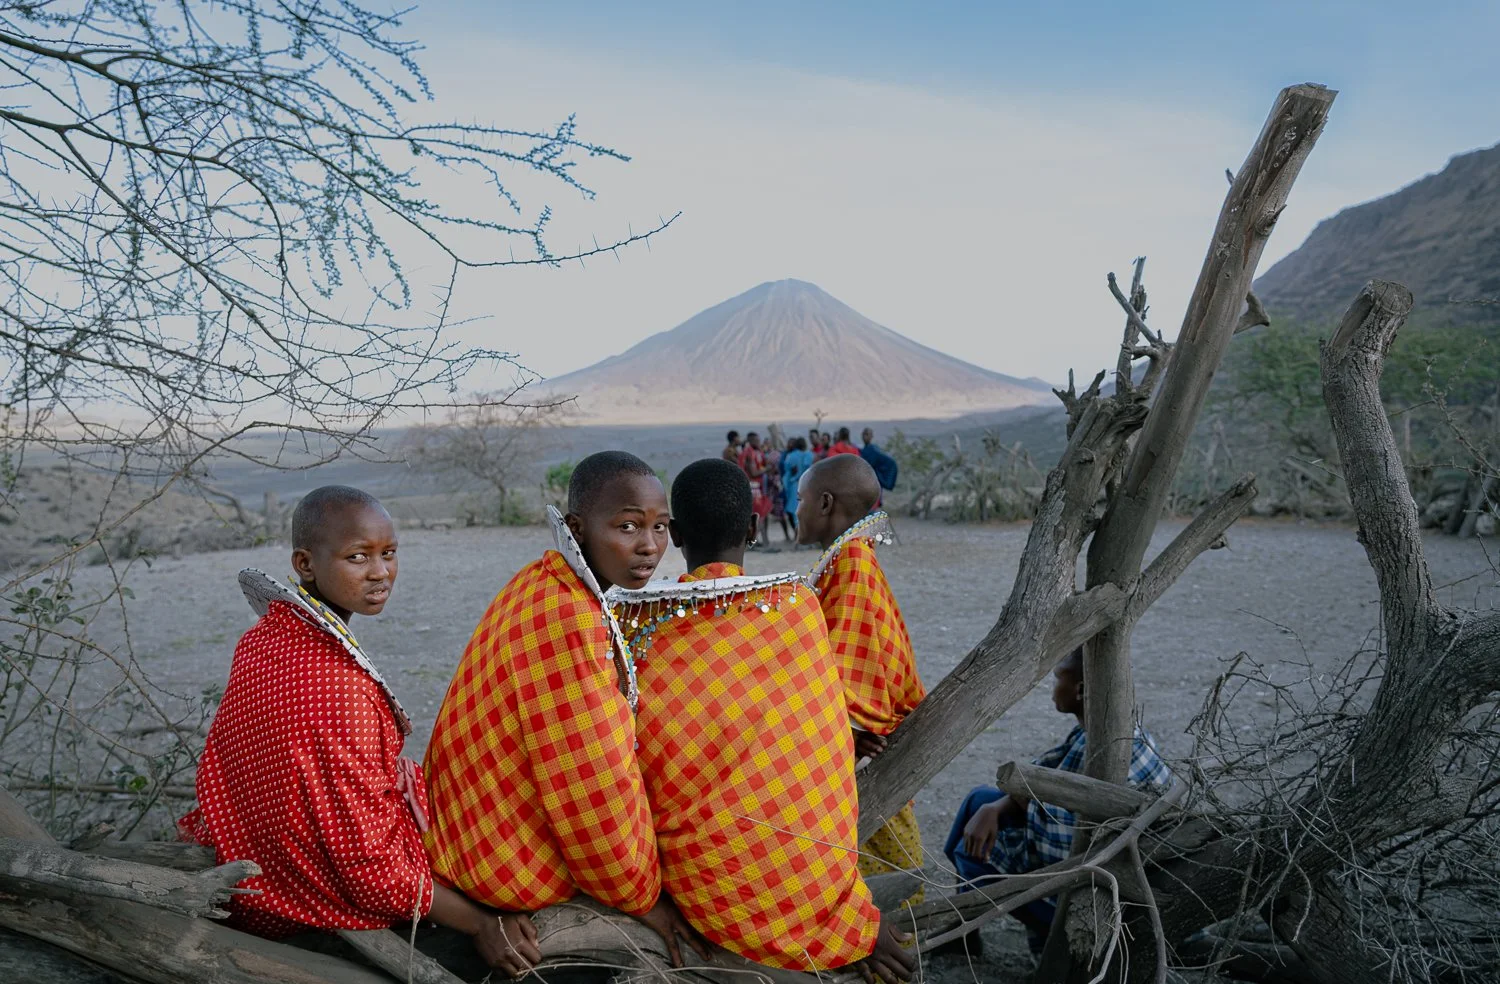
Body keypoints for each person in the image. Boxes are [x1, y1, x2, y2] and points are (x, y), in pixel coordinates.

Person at [180, 486, 539, 976]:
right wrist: (478, 924)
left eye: (388, 554)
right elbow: (367, 869)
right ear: (305, 563)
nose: (380, 573)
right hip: (302, 889)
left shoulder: (266, 638)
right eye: (357, 557)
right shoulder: (337, 686)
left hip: (253, 850)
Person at [610, 458, 915, 982]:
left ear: (675, 534)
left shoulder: (635, 631)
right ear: (754, 529)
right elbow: (820, 753)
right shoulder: (798, 609)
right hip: (808, 881)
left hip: (700, 888)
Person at [422, 452, 707, 966]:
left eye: (660, 527)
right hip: (500, 860)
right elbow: (592, 787)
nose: (649, 546)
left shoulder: (541, 581)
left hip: (467, 830)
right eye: (627, 526)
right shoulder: (568, 617)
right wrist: (644, 899)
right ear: (578, 528)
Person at [943, 648, 1173, 952]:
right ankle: (963, 933)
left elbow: (1061, 839)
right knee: (980, 800)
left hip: (1088, 885)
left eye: (1056, 678)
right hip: (1091, 850)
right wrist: (995, 806)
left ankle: (1050, 939)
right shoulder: (1111, 728)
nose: (1052, 688)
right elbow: (1046, 777)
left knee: (971, 857)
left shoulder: (1100, 751)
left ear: (1079, 690)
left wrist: (1004, 809)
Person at [797, 456, 927, 905]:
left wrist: (851, 729)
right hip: (855, 744)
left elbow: (853, 664)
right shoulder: (847, 556)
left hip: (863, 752)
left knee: (884, 878)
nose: (795, 510)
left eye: (801, 500)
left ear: (826, 503)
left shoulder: (851, 562)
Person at [736, 431, 771, 545]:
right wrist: (767, 468)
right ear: (750, 441)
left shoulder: (755, 452)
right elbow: (754, 472)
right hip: (754, 488)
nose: (759, 442)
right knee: (759, 516)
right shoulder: (749, 453)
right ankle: (753, 542)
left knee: (763, 515)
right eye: (756, 440)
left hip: (756, 487)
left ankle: (764, 541)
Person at [780, 437, 815, 534]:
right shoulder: (810, 455)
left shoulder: (790, 456)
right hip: (808, 486)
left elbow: (787, 471)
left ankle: (799, 536)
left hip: (794, 486)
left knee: (796, 512)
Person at [859, 428, 899, 494]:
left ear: (871, 436)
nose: (864, 437)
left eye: (867, 434)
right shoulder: (866, 449)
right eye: (863, 434)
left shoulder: (873, 449)